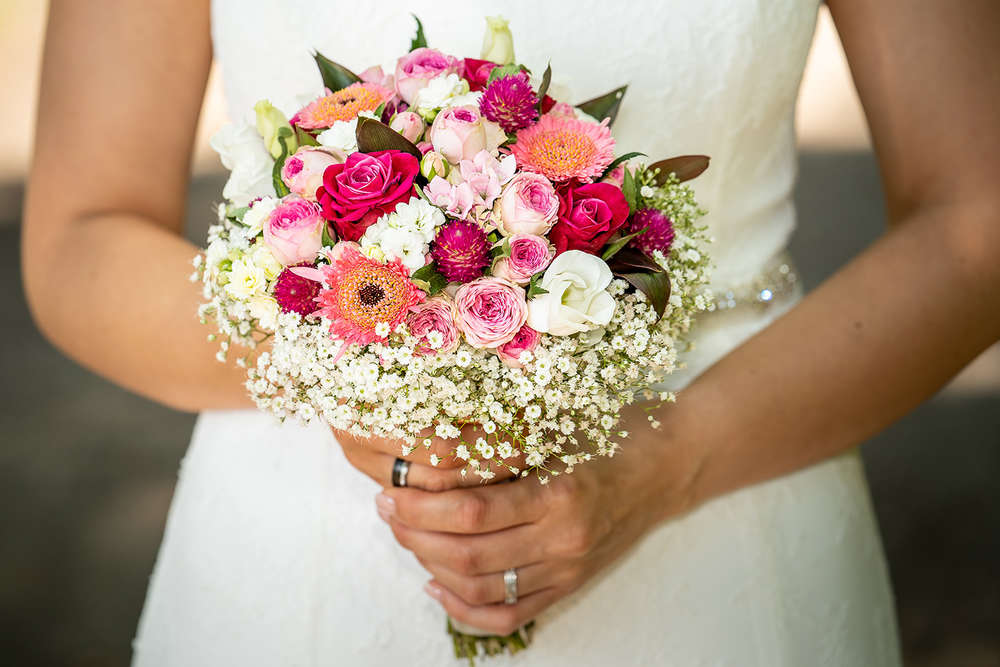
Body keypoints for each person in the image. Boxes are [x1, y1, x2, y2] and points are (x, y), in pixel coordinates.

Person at [22, 0, 999, 664]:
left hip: (732, 515)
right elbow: (82, 234)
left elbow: (975, 220)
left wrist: (669, 461)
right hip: (298, 565)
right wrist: (355, 370)